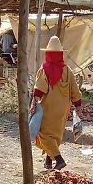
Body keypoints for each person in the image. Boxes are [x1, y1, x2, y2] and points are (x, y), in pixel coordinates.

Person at [30, 36, 82, 170]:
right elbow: (75, 90)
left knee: (44, 133)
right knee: (56, 133)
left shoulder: (44, 69)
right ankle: (48, 160)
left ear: (48, 53)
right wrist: (78, 105)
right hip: (63, 107)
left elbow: (39, 89)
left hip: (49, 107)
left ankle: (59, 160)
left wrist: (34, 102)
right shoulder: (67, 70)